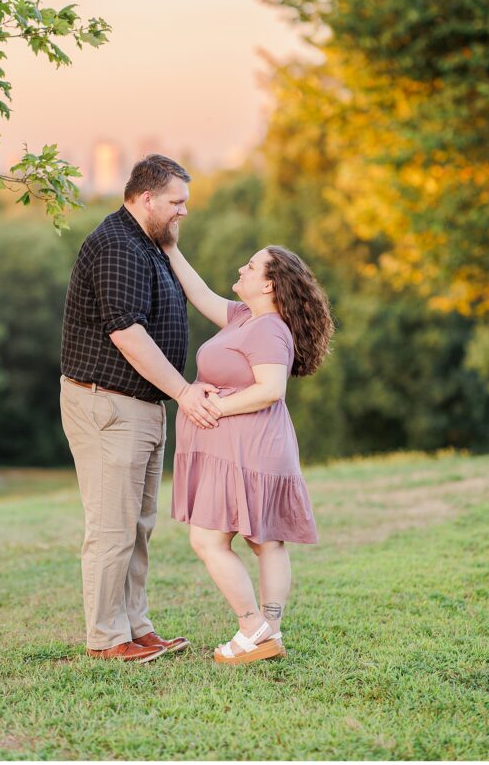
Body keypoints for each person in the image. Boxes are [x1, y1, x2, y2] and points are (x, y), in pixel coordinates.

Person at [60, 154, 220, 663]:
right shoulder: (116, 245)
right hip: (109, 404)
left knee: (138, 525)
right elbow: (127, 334)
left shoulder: (149, 246)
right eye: (176, 203)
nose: (184, 212)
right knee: (112, 526)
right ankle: (106, 639)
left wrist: (171, 246)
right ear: (145, 197)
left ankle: (134, 625)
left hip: (142, 406)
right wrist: (185, 393)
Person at [164, 235, 334, 665]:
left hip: (251, 449)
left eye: (251, 266)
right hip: (242, 448)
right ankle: (268, 633)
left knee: (209, 539)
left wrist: (214, 405)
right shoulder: (243, 316)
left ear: (270, 286)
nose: (242, 268)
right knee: (266, 542)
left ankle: (252, 626)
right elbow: (199, 292)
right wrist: (170, 248)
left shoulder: (270, 329)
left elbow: (270, 390)